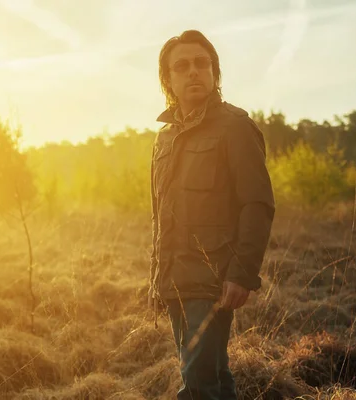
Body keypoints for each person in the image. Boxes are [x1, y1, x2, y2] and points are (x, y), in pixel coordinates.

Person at [148, 29, 275, 400]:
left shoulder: (235, 127)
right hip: (174, 280)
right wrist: (158, 274)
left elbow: (257, 203)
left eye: (202, 64)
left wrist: (242, 273)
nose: (193, 72)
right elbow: (160, 213)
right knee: (213, 379)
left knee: (199, 385)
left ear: (214, 72)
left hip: (212, 282)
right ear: (168, 79)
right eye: (182, 66)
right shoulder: (165, 138)